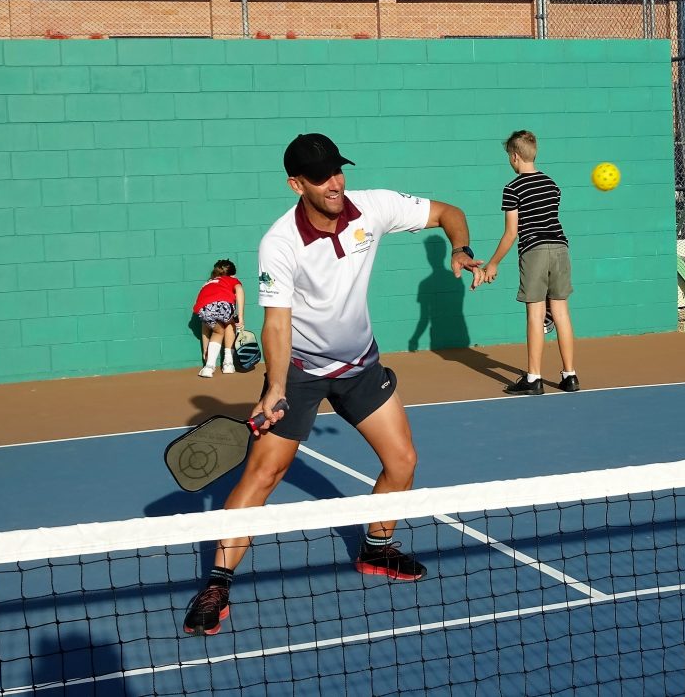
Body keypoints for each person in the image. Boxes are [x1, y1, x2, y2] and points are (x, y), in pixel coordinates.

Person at [183, 133, 485, 636]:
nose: (335, 183)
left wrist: (461, 249)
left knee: (403, 460)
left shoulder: (373, 207)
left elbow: (449, 212)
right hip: (299, 373)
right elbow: (276, 322)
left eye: (338, 171)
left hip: (360, 366)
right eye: (321, 177)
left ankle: (376, 547)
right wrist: (275, 386)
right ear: (296, 183)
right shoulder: (280, 243)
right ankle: (217, 582)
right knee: (263, 477)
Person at [483, 130, 578, 396]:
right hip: (560, 248)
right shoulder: (552, 184)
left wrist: (493, 263)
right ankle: (570, 376)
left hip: (534, 250)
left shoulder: (512, 188)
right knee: (561, 313)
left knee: (536, 315)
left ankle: (534, 379)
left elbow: (511, 233)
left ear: (515, 157)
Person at [193, 259, 244, 378]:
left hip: (203, 309)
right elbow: (240, 290)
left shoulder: (208, 283)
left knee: (217, 331)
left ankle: (208, 367)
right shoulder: (232, 279)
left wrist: (205, 349)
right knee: (231, 323)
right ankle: (228, 363)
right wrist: (240, 317)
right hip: (223, 305)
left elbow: (205, 327)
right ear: (232, 274)